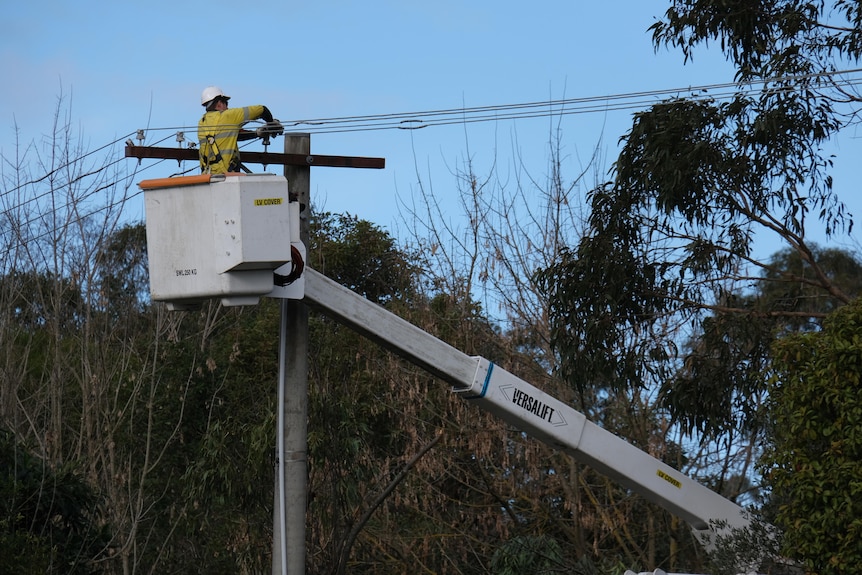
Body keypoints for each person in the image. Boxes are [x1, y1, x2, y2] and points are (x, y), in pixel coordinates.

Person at [197, 86, 284, 174]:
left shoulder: (202, 123)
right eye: (226, 103)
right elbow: (262, 109)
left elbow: (232, 136)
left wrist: (256, 134)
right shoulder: (228, 115)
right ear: (219, 103)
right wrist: (271, 123)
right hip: (227, 176)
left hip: (207, 177)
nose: (227, 107)